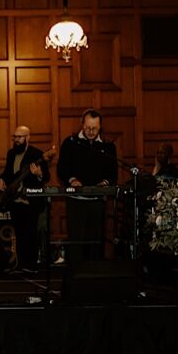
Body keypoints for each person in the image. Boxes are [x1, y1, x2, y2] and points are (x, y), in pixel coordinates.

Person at [56, 109, 118, 265]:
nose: (91, 131)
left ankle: (95, 277)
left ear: (100, 127)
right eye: (88, 128)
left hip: (97, 201)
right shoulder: (70, 143)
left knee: (96, 242)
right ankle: (76, 276)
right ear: (82, 125)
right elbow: (62, 169)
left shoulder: (108, 147)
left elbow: (112, 173)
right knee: (77, 242)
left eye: (95, 128)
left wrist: (104, 183)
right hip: (76, 200)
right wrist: (73, 180)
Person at [0, 126, 51, 273]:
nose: (16, 140)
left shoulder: (37, 154)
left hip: (30, 201)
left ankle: (31, 265)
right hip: (14, 200)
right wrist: (1, 179)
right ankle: (19, 264)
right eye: (15, 136)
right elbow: (8, 172)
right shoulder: (11, 153)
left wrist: (39, 173)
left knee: (30, 233)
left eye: (19, 137)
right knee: (19, 233)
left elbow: (46, 177)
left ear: (28, 138)